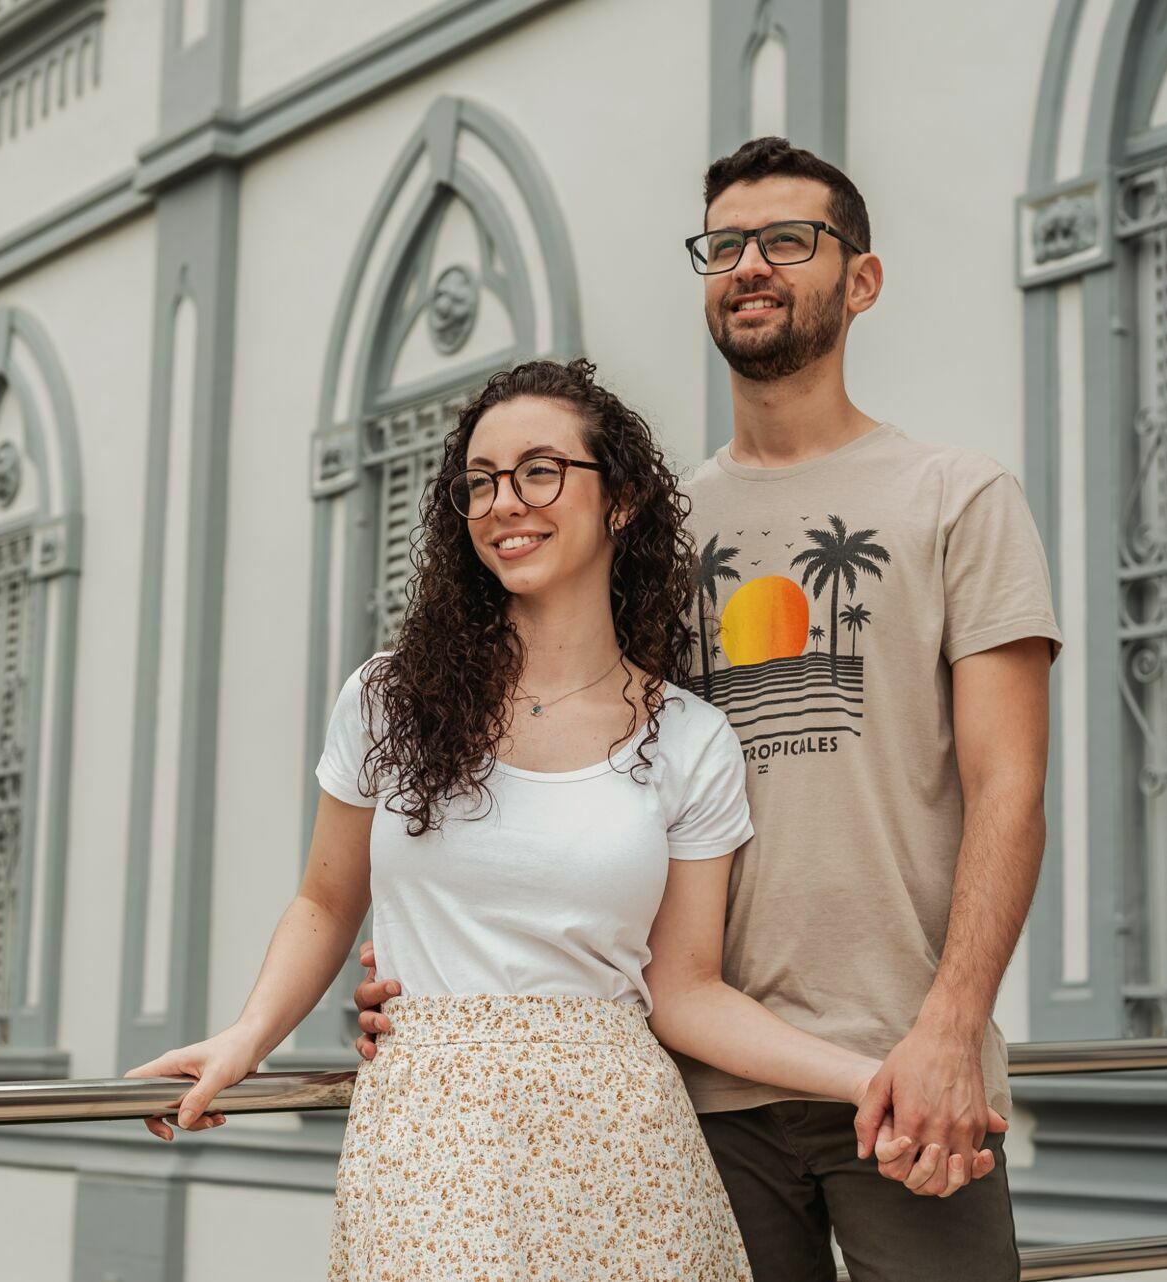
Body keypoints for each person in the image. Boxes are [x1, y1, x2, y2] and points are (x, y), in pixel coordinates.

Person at [353, 138, 1058, 1281]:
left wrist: (950, 1028)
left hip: (906, 1077)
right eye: (724, 246)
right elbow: (556, 754)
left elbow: (1010, 789)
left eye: (788, 239)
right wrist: (434, 971)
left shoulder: (957, 497)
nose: (751, 265)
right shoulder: (647, 530)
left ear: (862, 280)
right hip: (688, 1093)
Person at [129, 358, 945, 1280]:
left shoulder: (690, 739)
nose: (504, 503)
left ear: (622, 499)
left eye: (540, 471)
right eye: (480, 482)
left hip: (626, 1149)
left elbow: (685, 991)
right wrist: (244, 1039)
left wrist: (870, 1078)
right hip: (427, 1136)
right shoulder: (388, 698)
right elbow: (325, 901)